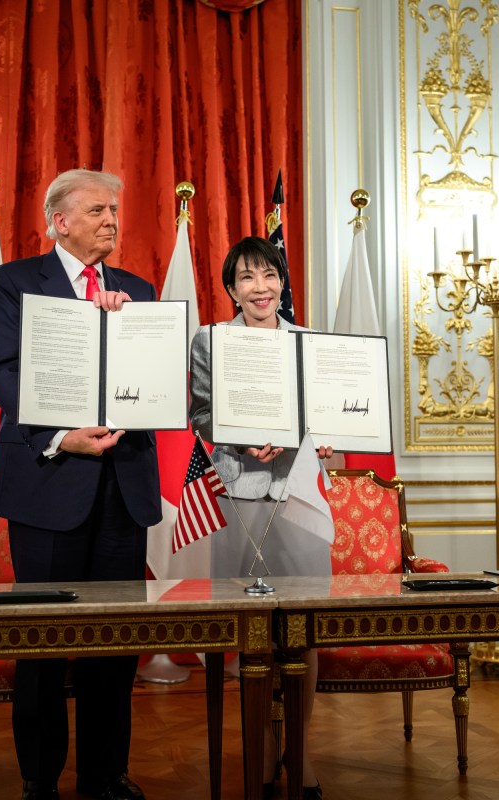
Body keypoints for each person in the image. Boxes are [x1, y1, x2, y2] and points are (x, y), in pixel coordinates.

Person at [0, 169, 160, 800]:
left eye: (115, 209)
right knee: (43, 640)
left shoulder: (137, 290)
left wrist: (137, 332)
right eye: (96, 210)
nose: (111, 219)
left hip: (123, 489)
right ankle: (40, 780)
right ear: (59, 220)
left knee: (114, 643)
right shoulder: (13, 282)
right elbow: (1, 372)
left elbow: (154, 382)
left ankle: (105, 776)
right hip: (48, 479)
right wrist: (61, 436)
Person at [188, 236, 332, 800]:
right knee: (252, 634)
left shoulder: (308, 342)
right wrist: (240, 439)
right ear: (231, 289)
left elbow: (330, 415)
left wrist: (328, 439)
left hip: (297, 493)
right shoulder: (210, 341)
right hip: (237, 493)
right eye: (246, 278)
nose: (260, 288)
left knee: (303, 632)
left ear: (281, 283)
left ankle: (299, 751)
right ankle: (261, 752)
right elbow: (199, 413)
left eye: (269, 275)